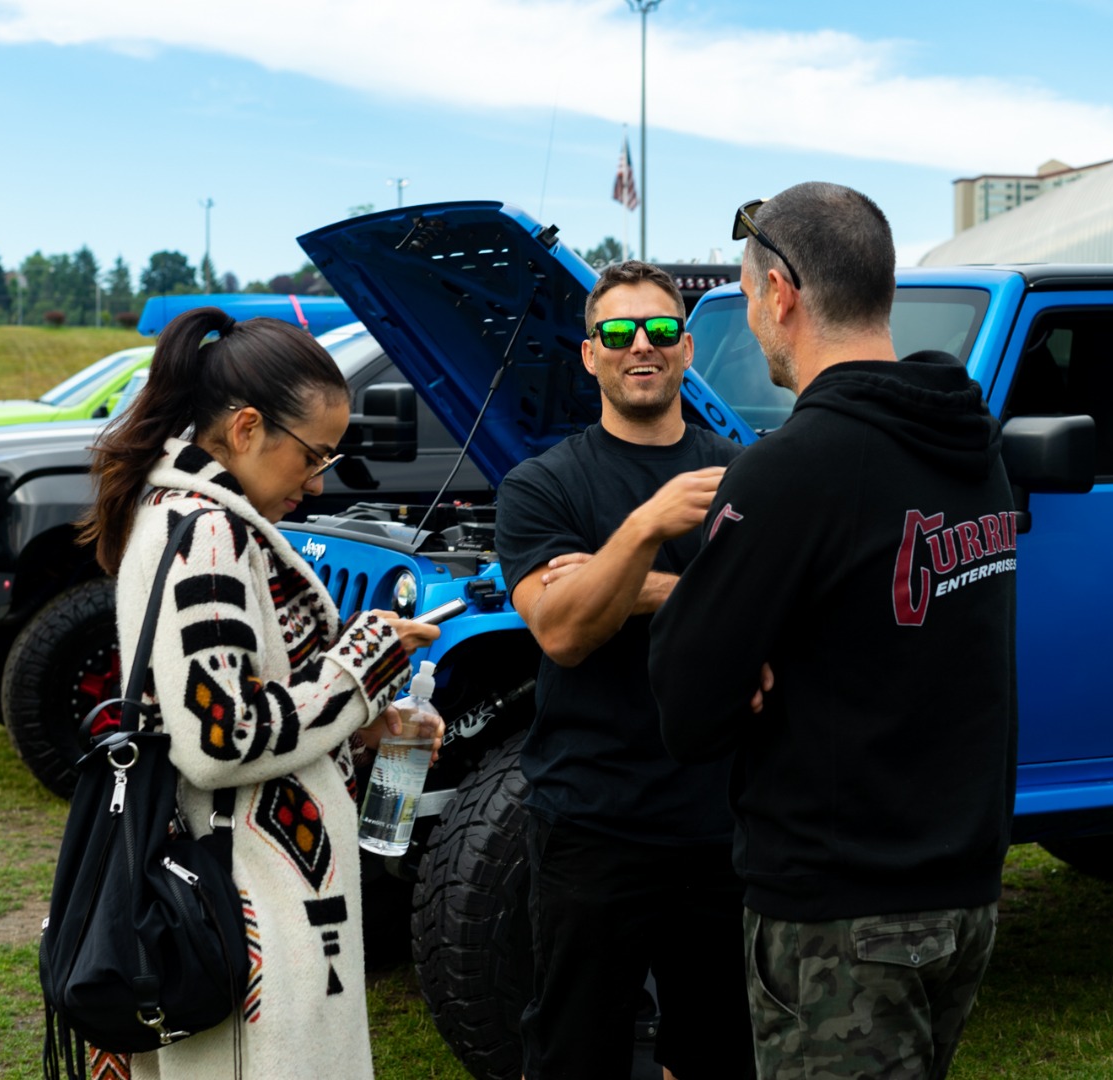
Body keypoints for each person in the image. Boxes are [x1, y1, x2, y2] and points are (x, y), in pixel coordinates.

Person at [648, 183, 1018, 1080]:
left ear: (782, 296)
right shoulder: (970, 444)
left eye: (746, 295)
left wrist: (745, 656)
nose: (752, 315)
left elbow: (685, 703)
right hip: (963, 892)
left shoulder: (793, 468)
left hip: (841, 914)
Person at [77, 307, 442, 1080]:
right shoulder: (208, 532)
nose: (316, 483)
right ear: (245, 429)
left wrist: (362, 725)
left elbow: (229, 703)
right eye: (313, 455)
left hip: (253, 876)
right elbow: (219, 739)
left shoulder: (176, 511)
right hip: (248, 894)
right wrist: (360, 667)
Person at [494, 261, 754, 1080]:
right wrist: (648, 525)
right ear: (589, 355)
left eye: (660, 329)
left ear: (686, 350)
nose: (639, 344)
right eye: (616, 331)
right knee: (578, 1049)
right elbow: (565, 633)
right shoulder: (542, 486)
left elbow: (771, 614)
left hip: (723, 817)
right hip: (592, 820)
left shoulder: (744, 475)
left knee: (719, 1049)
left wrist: (622, 584)